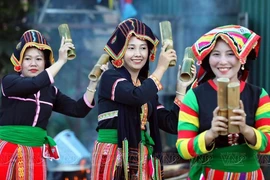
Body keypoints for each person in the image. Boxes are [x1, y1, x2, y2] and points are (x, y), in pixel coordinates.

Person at [90, 18, 196, 180]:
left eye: (143, 48)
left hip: (140, 157)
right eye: (131, 48)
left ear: (149, 52)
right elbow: (136, 96)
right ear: (121, 51)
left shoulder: (147, 90)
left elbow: (172, 124)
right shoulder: (109, 78)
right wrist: (161, 68)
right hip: (112, 154)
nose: (138, 54)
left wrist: (181, 87)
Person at [0, 29, 106, 179]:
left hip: (36, 153)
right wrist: (62, 60)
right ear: (20, 62)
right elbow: (35, 83)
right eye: (28, 59)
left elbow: (78, 110)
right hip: (9, 151)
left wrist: (93, 83)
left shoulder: (50, 92)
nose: (33, 63)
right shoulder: (9, 83)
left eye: (38, 59)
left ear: (45, 63)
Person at [176, 25, 270, 180]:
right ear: (208, 58)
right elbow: (183, 149)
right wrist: (211, 133)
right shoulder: (194, 96)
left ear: (242, 57)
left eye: (230, 54)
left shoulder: (259, 95)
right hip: (209, 175)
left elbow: (268, 146)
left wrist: (246, 129)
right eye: (216, 54)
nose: (223, 61)